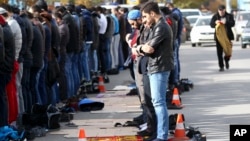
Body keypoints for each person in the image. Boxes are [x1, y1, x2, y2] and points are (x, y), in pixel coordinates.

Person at [139, 1, 174, 141]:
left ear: (153, 13)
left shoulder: (162, 27)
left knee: (159, 103)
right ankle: (160, 134)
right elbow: (146, 44)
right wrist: (143, 45)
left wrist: (139, 48)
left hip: (159, 67)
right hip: (156, 67)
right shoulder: (155, 26)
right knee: (157, 102)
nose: (144, 20)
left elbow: (149, 48)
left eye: (145, 16)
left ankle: (161, 136)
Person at [126, 9, 157, 141]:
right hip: (139, 64)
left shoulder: (148, 29)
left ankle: (152, 126)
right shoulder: (139, 30)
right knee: (143, 96)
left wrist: (134, 46)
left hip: (146, 66)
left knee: (147, 98)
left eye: (133, 23)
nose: (133, 27)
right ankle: (148, 122)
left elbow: (144, 47)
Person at [210, 5, 235, 71]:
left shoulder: (229, 16)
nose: (221, 11)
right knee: (219, 53)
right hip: (219, 38)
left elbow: (233, 23)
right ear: (218, 10)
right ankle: (221, 66)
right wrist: (215, 23)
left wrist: (226, 22)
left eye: (222, 10)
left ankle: (226, 60)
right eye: (220, 10)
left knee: (228, 52)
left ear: (224, 10)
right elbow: (211, 24)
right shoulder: (215, 16)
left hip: (227, 37)